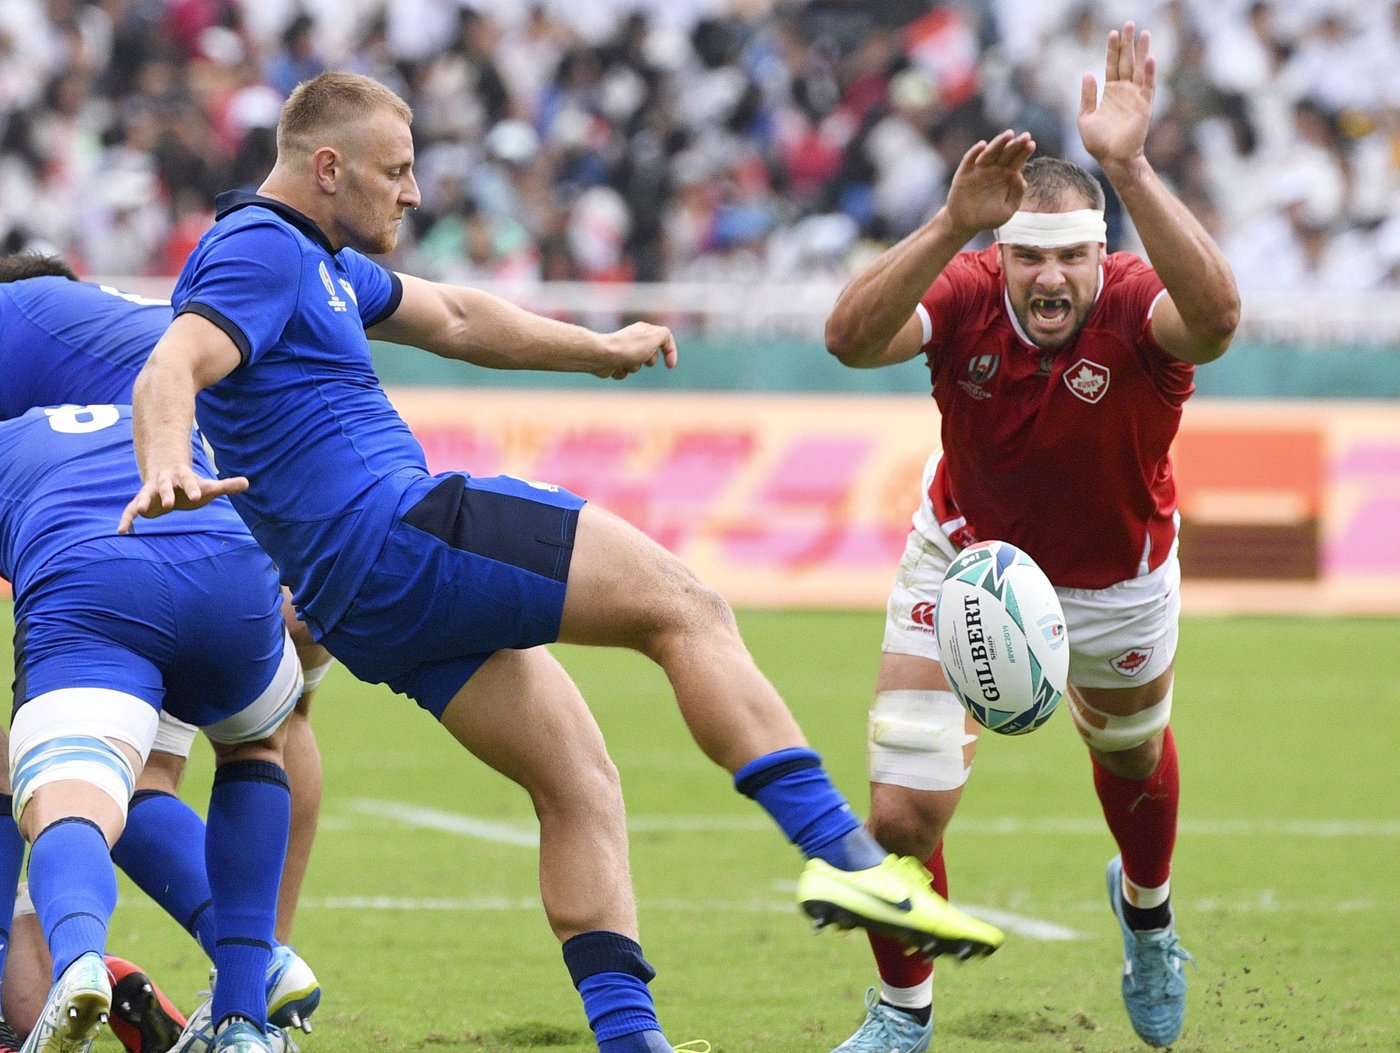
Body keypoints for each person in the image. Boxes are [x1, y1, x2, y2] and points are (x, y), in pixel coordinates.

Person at [119, 71, 1006, 1053]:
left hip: (367, 607)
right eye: (395, 171)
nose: (412, 193)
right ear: (327, 169)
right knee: (685, 607)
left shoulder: (317, 261)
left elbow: (454, 317)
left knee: (579, 782)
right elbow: (173, 363)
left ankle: (632, 1044)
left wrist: (597, 349)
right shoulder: (256, 249)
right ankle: (840, 852)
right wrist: (164, 463)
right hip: (404, 537)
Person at [821, 23, 1239, 1052]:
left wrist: (1128, 165)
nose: (1049, 280)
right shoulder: (963, 291)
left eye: (1070, 259)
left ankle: (1146, 916)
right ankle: (901, 1016)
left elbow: (1219, 320)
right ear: (998, 258)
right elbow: (847, 340)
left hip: (1115, 583)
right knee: (901, 813)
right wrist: (942, 227)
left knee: (1130, 762)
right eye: (1027, 259)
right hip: (961, 563)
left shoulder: (1142, 308)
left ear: (1102, 256)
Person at [0, 256, 322, 1051]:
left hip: (110, 557)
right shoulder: (115, 333)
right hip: (249, 522)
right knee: (253, 742)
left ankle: (59, 966)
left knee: (62, 780)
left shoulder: (22, 404)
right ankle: (251, 986)